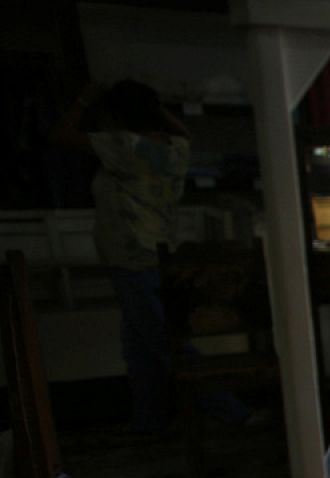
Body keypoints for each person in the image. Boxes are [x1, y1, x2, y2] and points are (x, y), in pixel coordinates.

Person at [49, 80, 249, 434]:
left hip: (130, 258)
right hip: (157, 253)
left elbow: (61, 136)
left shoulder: (123, 145)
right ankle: (148, 421)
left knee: (162, 343)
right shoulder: (174, 149)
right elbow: (182, 130)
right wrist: (152, 106)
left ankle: (231, 411)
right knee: (140, 347)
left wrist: (83, 100)